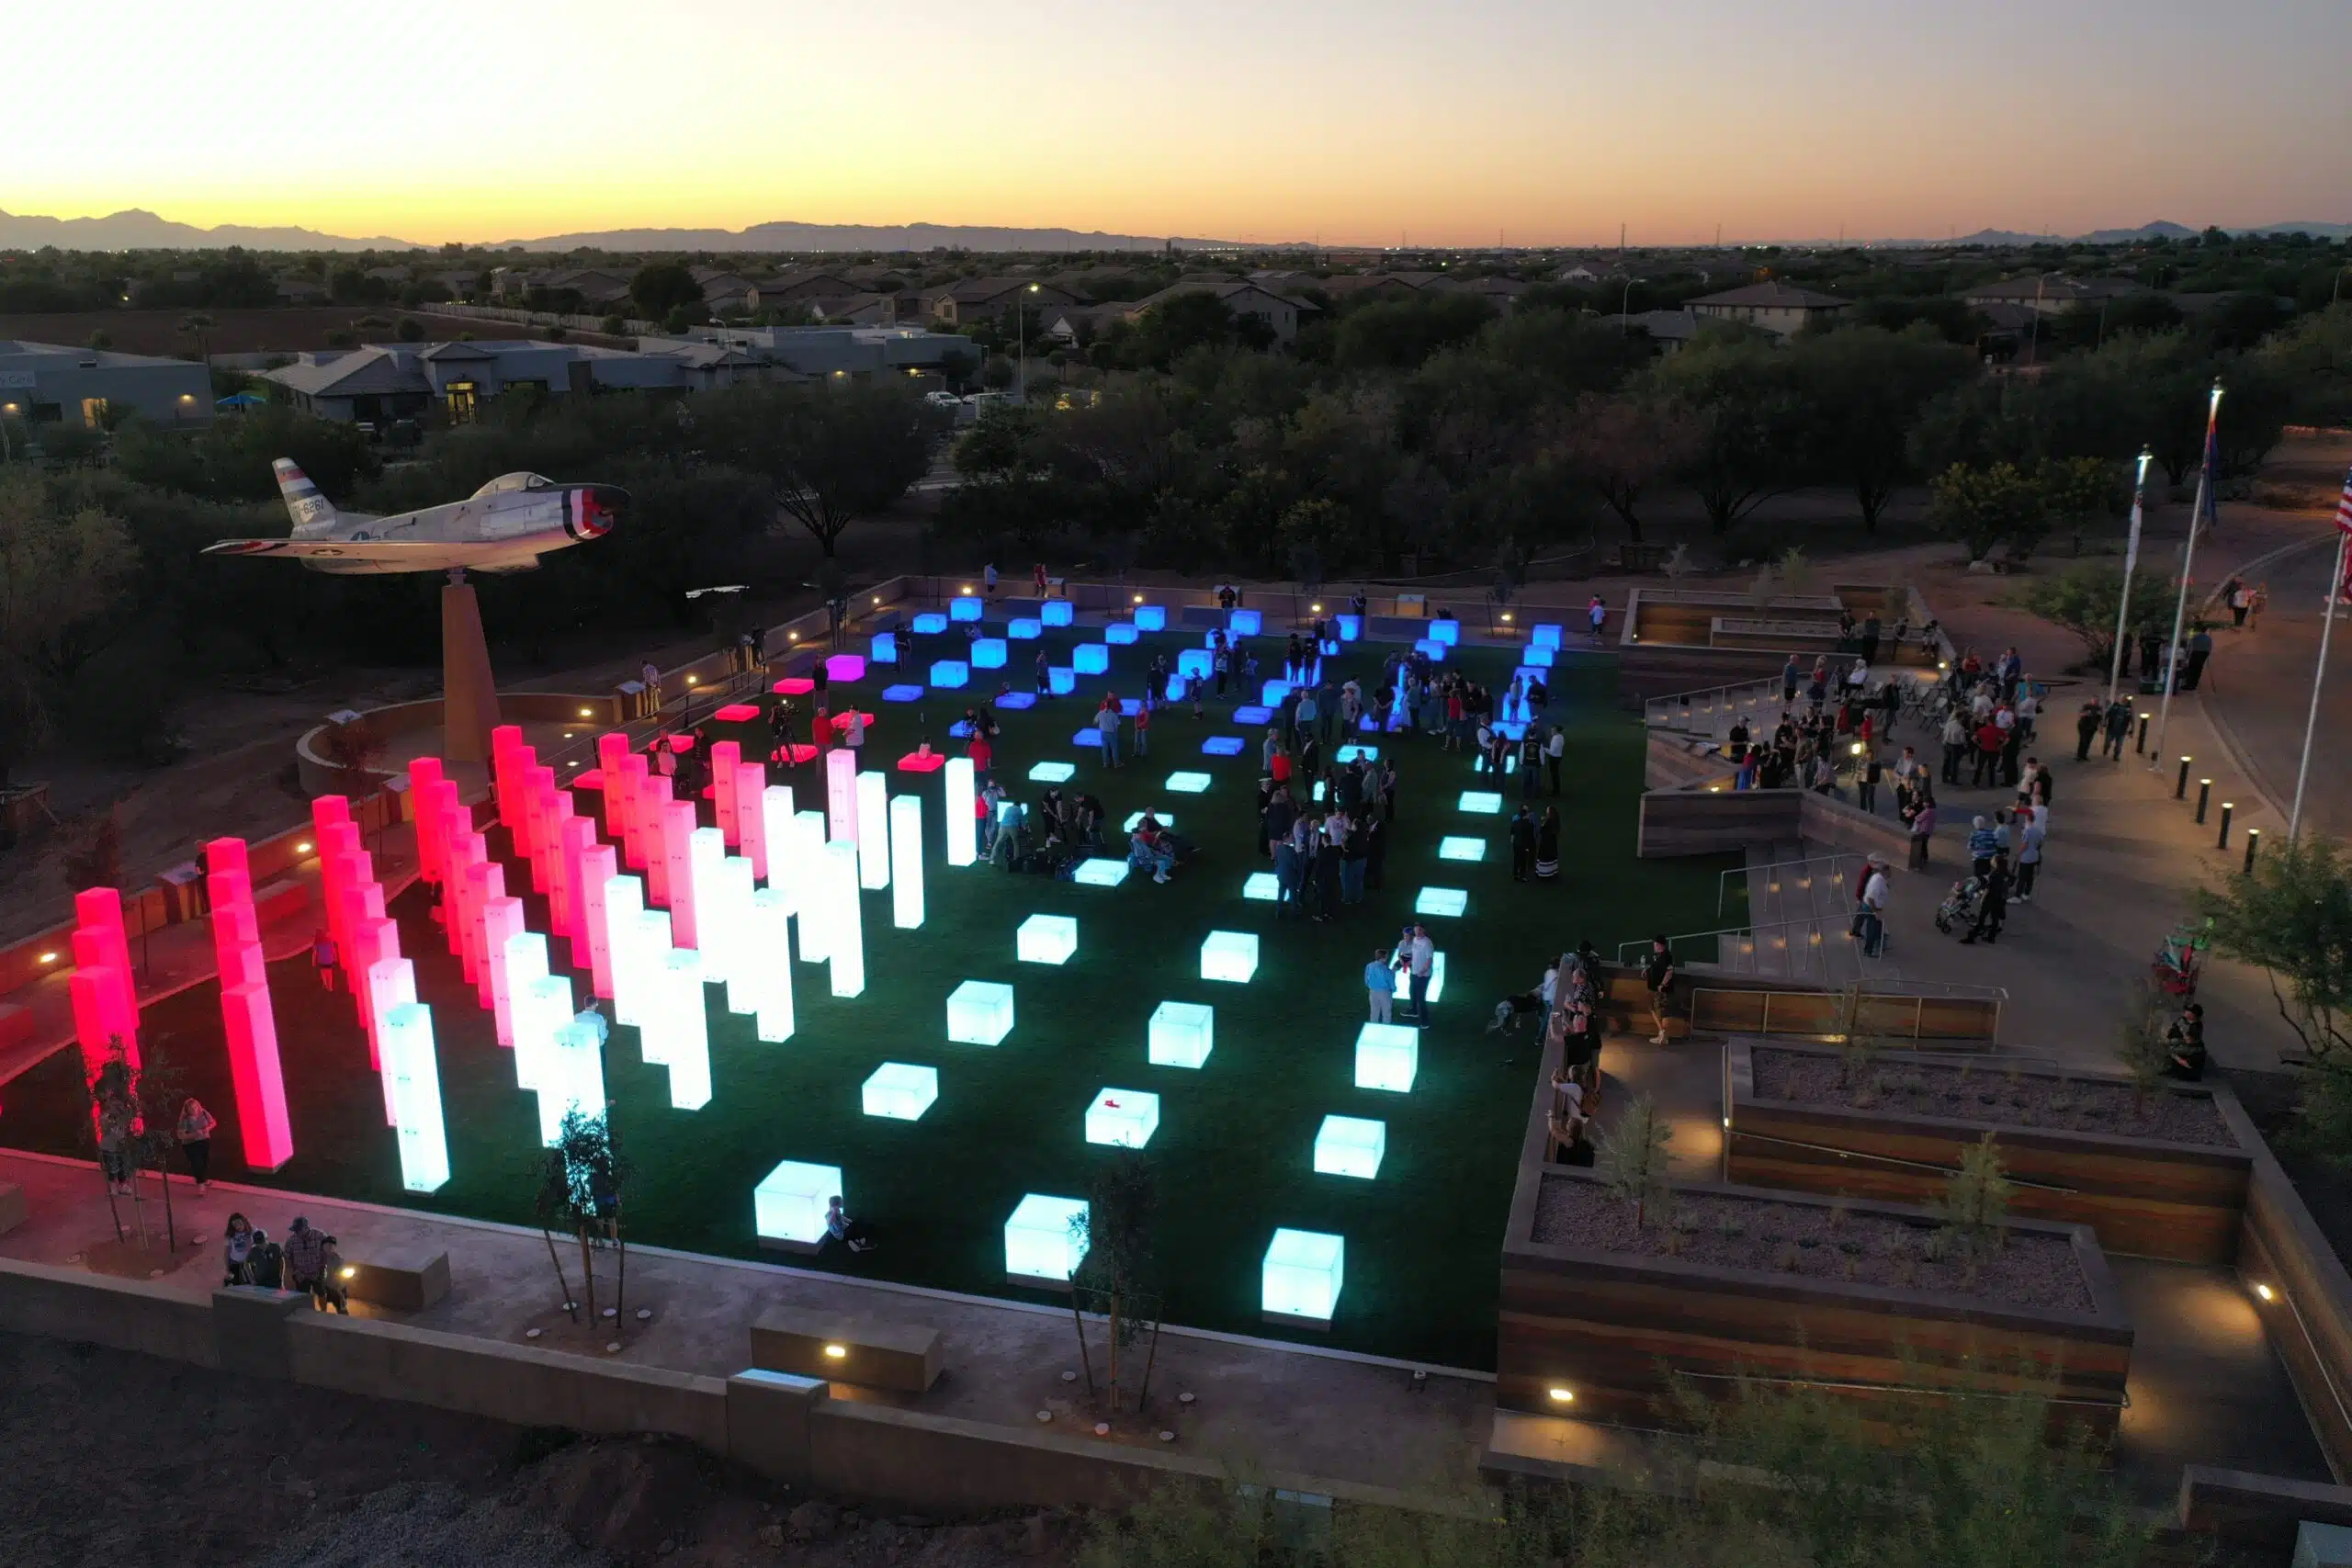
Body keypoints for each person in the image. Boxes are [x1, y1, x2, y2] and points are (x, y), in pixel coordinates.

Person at [1960, 854, 2011, 945]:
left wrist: (1982, 898)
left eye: (1992, 859)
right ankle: (1991, 937)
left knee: (1981, 919)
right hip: (1998, 899)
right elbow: (2010, 881)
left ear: (1996, 862)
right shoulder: (2004, 873)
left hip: (1990, 899)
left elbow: (1988, 888)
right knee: (1994, 919)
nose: (1991, 860)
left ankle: (1971, 937)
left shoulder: (1994, 874)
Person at [177, 1097, 217, 1196]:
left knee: (205, 1161)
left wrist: (207, 1129)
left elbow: (213, 1123)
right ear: (187, 1110)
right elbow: (181, 1135)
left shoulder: (203, 1113)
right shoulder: (185, 1119)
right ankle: (201, 1186)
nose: (194, 1110)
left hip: (204, 1140)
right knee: (197, 1163)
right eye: (191, 1108)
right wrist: (194, 1134)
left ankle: (204, 1179)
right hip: (190, 1144)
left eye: (195, 1107)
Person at [283, 1215, 329, 1300]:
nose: (296, 1232)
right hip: (301, 1274)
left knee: (321, 1293)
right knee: (303, 1296)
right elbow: (287, 1258)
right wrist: (295, 1272)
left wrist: (322, 1269)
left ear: (306, 1227)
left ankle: (323, 1311)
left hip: (318, 1272)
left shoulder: (320, 1236)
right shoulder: (291, 1241)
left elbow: (327, 1253)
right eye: (295, 1230)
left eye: (298, 1230)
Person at [1643, 935, 1676, 1046]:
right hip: (1658, 989)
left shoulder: (1665, 956)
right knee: (1660, 1011)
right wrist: (1647, 970)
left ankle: (1662, 1034)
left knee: (1658, 1010)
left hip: (1661, 990)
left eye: (1655, 944)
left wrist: (1662, 984)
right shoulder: (1662, 956)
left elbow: (1669, 972)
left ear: (1659, 945)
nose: (1654, 946)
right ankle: (1662, 1035)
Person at [1398, 926, 1435, 1023]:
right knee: (1412, 992)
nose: (1417, 931)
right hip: (1414, 972)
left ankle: (1425, 1021)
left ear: (1424, 930)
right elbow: (1414, 954)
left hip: (1423, 975)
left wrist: (1422, 972)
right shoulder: (1414, 939)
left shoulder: (1427, 943)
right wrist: (1408, 963)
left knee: (1421, 998)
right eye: (1416, 929)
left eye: (1420, 929)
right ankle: (1414, 1011)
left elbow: (1429, 960)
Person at [2165, 1004, 2208, 1081]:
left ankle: (2182, 1062)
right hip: (2178, 1044)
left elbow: (2190, 1040)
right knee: (2166, 1047)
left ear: (2194, 1014)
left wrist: (2182, 1028)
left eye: (2189, 1011)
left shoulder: (2197, 1025)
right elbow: (2170, 1034)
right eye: (2186, 1010)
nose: (2186, 1012)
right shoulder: (2181, 1020)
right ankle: (2178, 1063)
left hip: (2192, 1048)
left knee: (2169, 1050)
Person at [311, 1235, 351, 1314]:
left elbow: (341, 1277)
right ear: (323, 1246)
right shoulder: (318, 1257)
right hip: (325, 1288)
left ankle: (345, 1323)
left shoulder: (338, 1259)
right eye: (328, 1245)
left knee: (342, 1309)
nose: (330, 1247)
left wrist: (340, 1293)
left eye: (332, 1245)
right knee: (323, 1307)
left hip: (337, 1288)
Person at [222, 1213, 259, 1285]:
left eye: (240, 1223)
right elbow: (227, 1251)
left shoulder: (253, 1230)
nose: (238, 1226)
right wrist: (227, 1268)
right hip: (235, 1262)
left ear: (244, 1221)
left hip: (250, 1262)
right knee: (237, 1285)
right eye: (235, 1225)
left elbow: (259, 1244)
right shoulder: (230, 1234)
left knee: (254, 1283)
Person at [1906, 789, 1937, 872]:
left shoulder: (1927, 811)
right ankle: (1925, 858)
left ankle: (1919, 863)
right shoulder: (1933, 811)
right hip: (1929, 831)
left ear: (1928, 803)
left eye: (1924, 802)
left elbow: (1918, 818)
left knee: (1920, 846)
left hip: (1923, 831)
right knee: (1924, 845)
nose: (1923, 803)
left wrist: (1915, 816)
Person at [1364, 949, 1396, 1023]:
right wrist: (1393, 989)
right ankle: (1385, 1028)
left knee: (1374, 1012)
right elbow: (1390, 980)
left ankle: (1374, 1027)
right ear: (1383, 957)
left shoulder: (1369, 966)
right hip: (1384, 992)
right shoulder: (1384, 968)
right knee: (1386, 1013)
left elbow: (1366, 979)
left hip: (1372, 992)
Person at [1509, 806, 1537, 882]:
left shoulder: (1515, 822)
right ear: (1526, 815)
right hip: (1524, 845)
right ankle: (1522, 876)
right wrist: (1529, 847)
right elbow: (1530, 837)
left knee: (1516, 858)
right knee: (1524, 860)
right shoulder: (1529, 825)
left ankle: (1515, 874)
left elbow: (1512, 833)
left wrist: (1513, 841)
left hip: (1516, 843)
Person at [1534, 806, 1561, 880]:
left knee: (1544, 857)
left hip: (1545, 842)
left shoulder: (1548, 821)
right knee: (1551, 857)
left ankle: (1544, 874)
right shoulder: (1555, 821)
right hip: (1552, 842)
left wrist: (1542, 823)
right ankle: (1552, 872)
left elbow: (1541, 831)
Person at [1095, 698, 1122, 768]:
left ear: (1105, 705)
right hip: (1112, 733)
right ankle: (1116, 764)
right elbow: (1118, 724)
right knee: (1114, 749)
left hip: (1103, 733)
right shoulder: (1113, 715)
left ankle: (1105, 763)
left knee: (1104, 749)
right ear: (1111, 706)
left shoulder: (1100, 713)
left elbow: (1095, 721)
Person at [312, 928, 339, 993]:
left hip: (321, 960)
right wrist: (335, 957)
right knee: (329, 973)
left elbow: (315, 953)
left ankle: (325, 982)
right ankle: (330, 987)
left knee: (323, 972)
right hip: (329, 959)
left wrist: (313, 962)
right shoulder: (329, 940)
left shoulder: (317, 943)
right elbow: (333, 950)